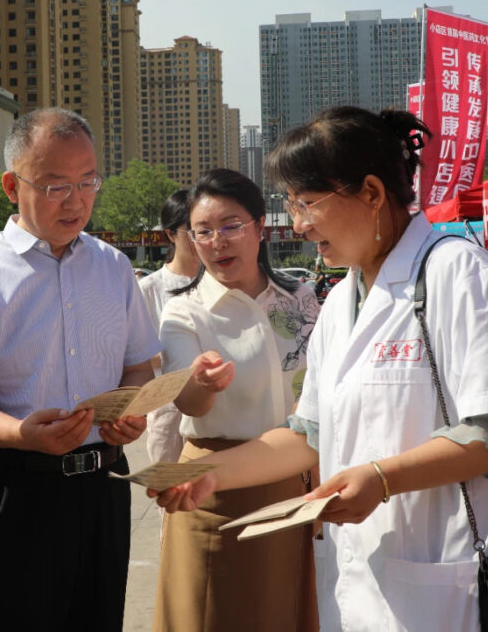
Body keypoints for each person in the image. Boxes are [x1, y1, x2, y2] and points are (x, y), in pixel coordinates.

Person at [152, 106, 488, 632]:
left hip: (451, 578)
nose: (298, 224)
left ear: (371, 193)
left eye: (306, 204)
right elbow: (309, 435)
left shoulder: (461, 275)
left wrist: (382, 479)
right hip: (362, 583)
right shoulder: (341, 303)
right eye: (291, 206)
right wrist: (210, 474)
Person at [0, 107, 223, 632]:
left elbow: (138, 367)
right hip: (13, 488)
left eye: (88, 182)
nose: (76, 200)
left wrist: (132, 411)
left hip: (101, 486)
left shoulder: (112, 267)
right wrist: (21, 433)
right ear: (11, 186)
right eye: (55, 186)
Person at [152, 169, 319, 632]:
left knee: (280, 612)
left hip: (289, 482)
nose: (218, 241)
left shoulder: (299, 300)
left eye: (231, 226)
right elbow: (188, 403)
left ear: (260, 226)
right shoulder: (184, 310)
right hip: (212, 490)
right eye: (203, 231)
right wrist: (202, 383)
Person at [138, 189, 200, 465]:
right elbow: (136, 354)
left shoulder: (218, 283)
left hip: (217, 409)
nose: (200, 238)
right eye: (192, 230)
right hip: (168, 411)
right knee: (170, 488)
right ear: (171, 234)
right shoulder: (149, 289)